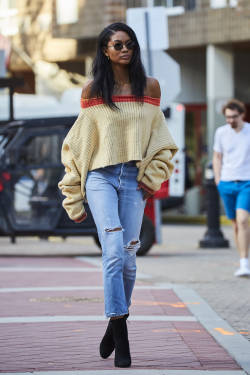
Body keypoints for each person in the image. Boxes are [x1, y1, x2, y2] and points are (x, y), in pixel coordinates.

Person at [58, 22, 178, 367]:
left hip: (134, 179)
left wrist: (151, 178)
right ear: (106, 50)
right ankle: (122, 334)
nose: (125, 50)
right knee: (112, 250)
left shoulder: (150, 87)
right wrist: (73, 195)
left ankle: (113, 322)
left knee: (128, 256)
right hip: (100, 178)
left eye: (130, 45)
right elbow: (78, 146)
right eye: (118, 45)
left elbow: (162, 142)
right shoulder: (93, 90)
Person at [213, 99, 250, 277]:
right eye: (227, 117)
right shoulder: (220, 133)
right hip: (226, 183)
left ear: (242, 114)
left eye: (233, 117)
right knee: (236, 224)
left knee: (242, 220)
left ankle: (244, 263)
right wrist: (218, 180)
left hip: (246, 182)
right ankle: (242, 258)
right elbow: (217, 157)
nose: (230, 120)